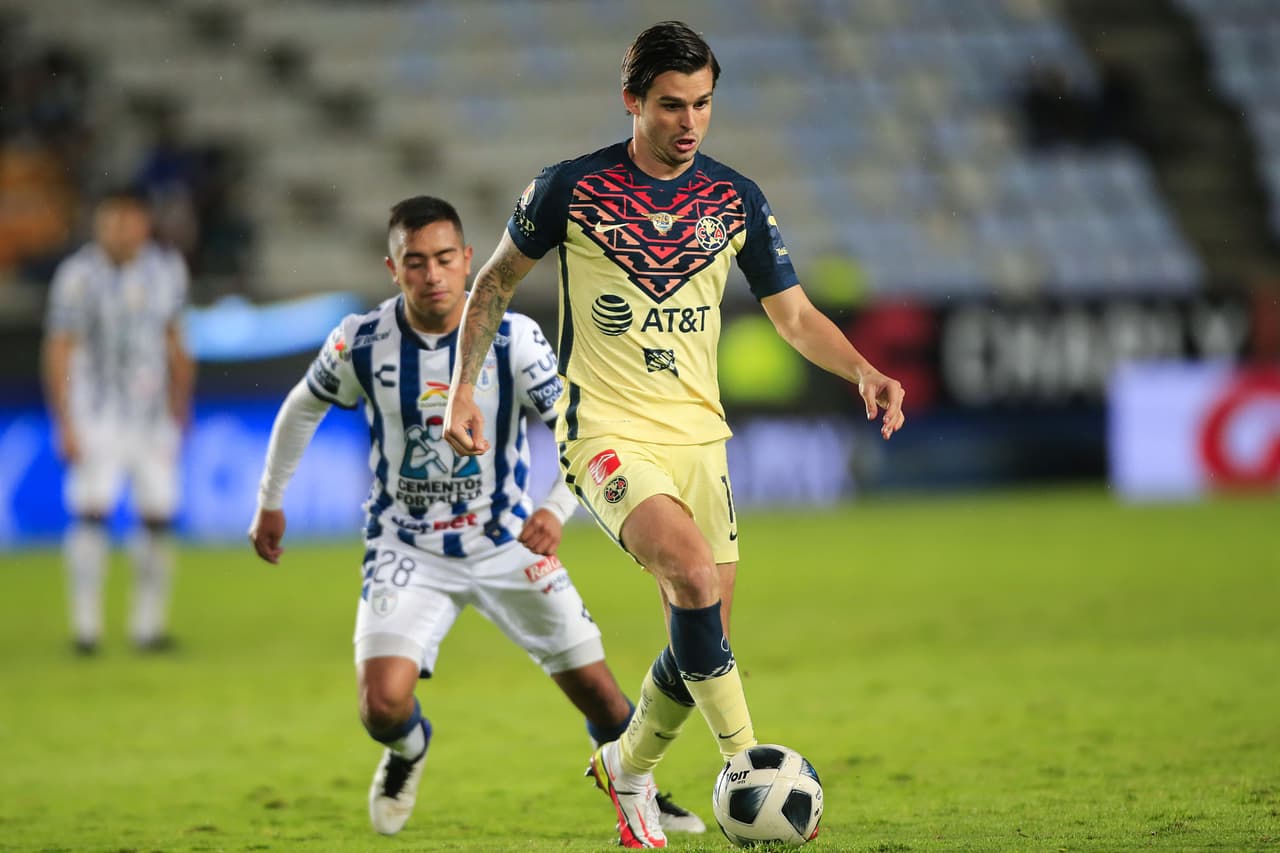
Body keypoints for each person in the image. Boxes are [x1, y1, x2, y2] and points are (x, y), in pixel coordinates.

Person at [443, 21, 906, 849]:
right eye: (670, 105)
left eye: (702, 104)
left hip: (700, 439)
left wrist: (863, 370)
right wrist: (461, 391)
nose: (689, 122)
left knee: (702, 636)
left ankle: (626, 765)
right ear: (631, 100)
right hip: (607, 430)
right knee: (691, 575)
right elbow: (493, 283)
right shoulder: (570, 188)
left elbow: (794, 316)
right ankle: (749, 764)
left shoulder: (735, 199)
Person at [246, 196, 703, 839]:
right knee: (381, 707)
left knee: (601, 695)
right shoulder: (361, 341)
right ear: (393, 269)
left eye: (443, 259)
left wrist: (555, 508)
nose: (431, 274)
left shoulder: (513, 339)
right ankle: (408, 750)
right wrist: (271, 498)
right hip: (406, 547)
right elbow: (301, 407)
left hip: (508, 542)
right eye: (414, 262)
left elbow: (581, 430)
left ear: (467, 261)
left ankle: (644, 790)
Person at [40, 185, 194, 654]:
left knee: (158, 516)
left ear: (144, 223)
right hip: (96, 412)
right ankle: (86, 629)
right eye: (112, 221)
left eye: (128, 220)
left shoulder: (166, 269)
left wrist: (181, 406)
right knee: (91, 512)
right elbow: (59, 347)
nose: (120, 230)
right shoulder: (77, 275)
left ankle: (148, 627)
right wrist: (64, 420)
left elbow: (176, 340)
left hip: (152, 416)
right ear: (99, 224)